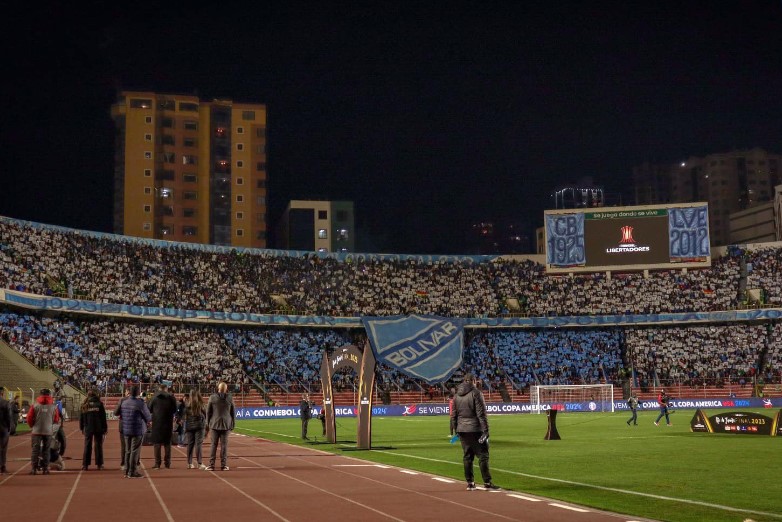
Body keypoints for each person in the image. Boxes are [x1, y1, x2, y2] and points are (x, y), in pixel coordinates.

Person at [451, 373, 498, 491]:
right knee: (483, 456)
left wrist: (457, 430)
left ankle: (470, 483)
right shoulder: (476, 393)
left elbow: (454, 415)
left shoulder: (456, 395)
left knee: (467, 456)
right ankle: (487, 482)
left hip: (462, 429)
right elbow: (481, 414)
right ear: (473, 380)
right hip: (475, 429)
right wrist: (486, 430)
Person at [27, 388, 61, 475]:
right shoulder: (53, 406)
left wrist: (32, 426)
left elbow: (29, 418)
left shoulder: (35, 405)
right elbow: (56, 419)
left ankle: (34, 469)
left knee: (35, 450)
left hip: (36, 431)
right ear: (49, 395)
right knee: (46, 450)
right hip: (48, 431)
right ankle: (45, 469)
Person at [120, 386, 151, 478]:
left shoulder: (124, 402)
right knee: (135, 451)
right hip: (137, 429)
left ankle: (126, 470)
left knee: (127, 450)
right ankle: (132, 471)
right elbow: (148, 417)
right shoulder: (140, 403)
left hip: (126, 429)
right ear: (138, 393)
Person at [205, 381, 235, 471]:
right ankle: (224, 465)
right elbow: (233, 412)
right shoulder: (229, 398)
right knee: (224, 446)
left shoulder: (213, 397)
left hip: (214, 424)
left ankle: (211, 465)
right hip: (226, 425)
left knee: (213, 445)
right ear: (226, 389)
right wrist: (233, 423)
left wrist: (208, 423)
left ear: (218, 388)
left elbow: (208, 412)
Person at [149, 384, 178, 469]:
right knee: (167, 444)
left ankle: (157, 463)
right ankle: (167, 463)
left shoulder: (154, 397)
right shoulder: (171, 398)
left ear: (159, 389)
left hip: (157, 423)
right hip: (168, 423)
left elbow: (149, 408)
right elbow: (175, 409)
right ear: (166, 389)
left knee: (157, 444)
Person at [79, 388, 108, 470]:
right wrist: (105, 428)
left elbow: (81, 418)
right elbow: (103, 418)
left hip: (88, 427)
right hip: (98, 428)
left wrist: (81, 428)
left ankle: (85, 465)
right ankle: (99, 464)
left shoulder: (84, 404)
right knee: (98, 446)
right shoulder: (99, 404)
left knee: (87, 445)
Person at [182, 389, 207, 470]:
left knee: (190, 445)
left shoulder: (187, 405)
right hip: (199, 427)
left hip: (189, 427)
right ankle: (199, 463)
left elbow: (184, 416)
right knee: (198, 445)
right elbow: (205, 415)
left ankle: (189, 463)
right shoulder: (201, 404)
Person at [114, 388, 131, 471]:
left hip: (123, 425)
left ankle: (124, 463)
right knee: (134, 446)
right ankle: (134, 463)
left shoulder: (122, 400)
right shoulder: (138, 401)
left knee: (124, 446)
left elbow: (115, 412)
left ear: (127, 392)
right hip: (134, 425)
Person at [0, 386, 12, 474]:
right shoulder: (5, 403)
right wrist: (9, 427)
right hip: (3, 428)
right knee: (3, 448)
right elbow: (8, 416)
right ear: (2, 393)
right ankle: (2, 466)